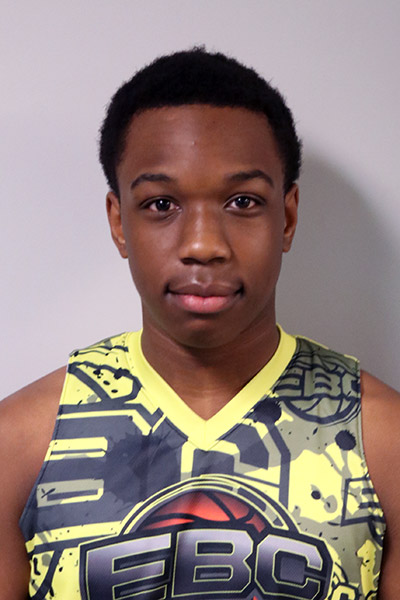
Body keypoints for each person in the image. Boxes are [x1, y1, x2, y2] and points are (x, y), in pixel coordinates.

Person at [0, 48, 399, 600]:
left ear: (287, 217)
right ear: (119, 222)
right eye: (162, 204)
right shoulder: (20, 443)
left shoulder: (383, 439)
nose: (204, 245)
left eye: (242, 201)